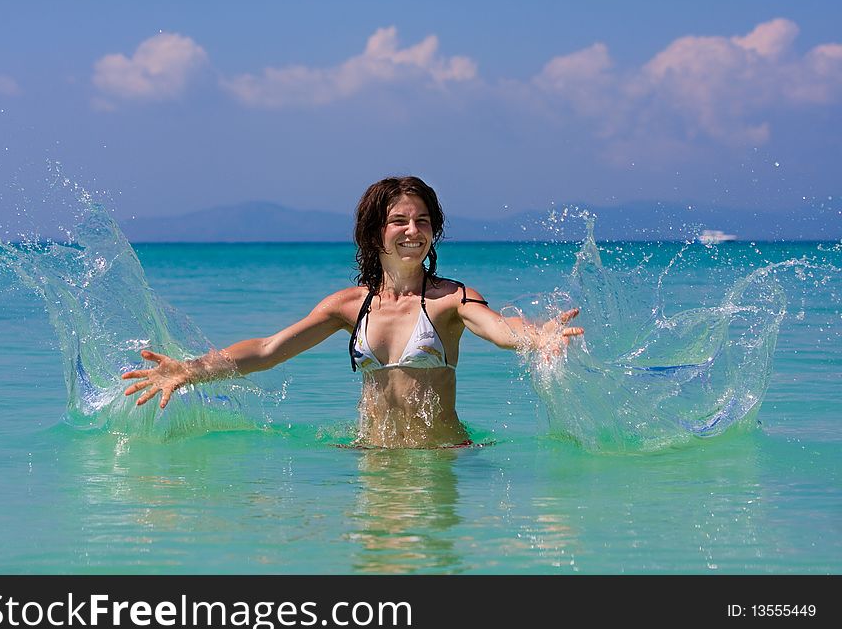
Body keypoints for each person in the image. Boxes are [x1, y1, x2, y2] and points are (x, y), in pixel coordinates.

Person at [122, 176, 583, 448]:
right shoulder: (348, 306)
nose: (412, 230)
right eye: (399, 220)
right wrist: (190, 369)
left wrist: (538, 336)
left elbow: (501, 329)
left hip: (440, 457)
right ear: (374, 231)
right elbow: (267, 349)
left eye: (423, 221)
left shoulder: (450, 299)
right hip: (369, 458)